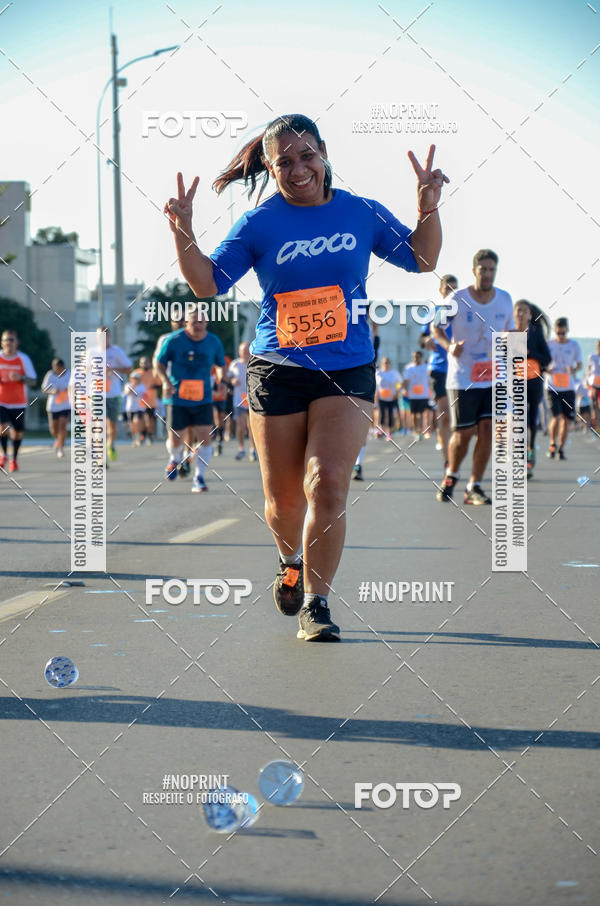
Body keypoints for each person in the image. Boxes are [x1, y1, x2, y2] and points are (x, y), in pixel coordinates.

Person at [164, 113, 447, 640]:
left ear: (324, 154)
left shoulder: (360, 212)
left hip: (348, 367)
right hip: (279, 369)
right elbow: (206, 284)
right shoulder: (259, 223)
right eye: (285, 162)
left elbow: (422, 258)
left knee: (330, 483)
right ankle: (290, 560)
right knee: (285, 499)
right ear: (270, 169)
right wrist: (182, 229)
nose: (299, 169)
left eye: (307, 156)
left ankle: (317, 603)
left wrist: (427, 209)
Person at [432, 249, 514, 504]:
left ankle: (474, 486)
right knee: (464, 434)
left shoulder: (504, 299)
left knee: (487, 430)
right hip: (463, 377)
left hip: (492, 376)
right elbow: (436, 327)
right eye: (483, 270)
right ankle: (451, 475)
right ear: (474, 271)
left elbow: (509, 333)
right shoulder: (456, 298)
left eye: (492, 270)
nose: (487, 275)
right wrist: (449, 346)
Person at [155, 304, 226, 492]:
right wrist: (165, 381)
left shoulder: (213, 342)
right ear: (187, 322)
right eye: (194, 321)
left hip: (203, 398)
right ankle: (174, 458)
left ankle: (199, 477)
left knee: (204, 438)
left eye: (201, 321)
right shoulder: (174, 340)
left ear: (207, 322)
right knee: (176, 439)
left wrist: (221, 379)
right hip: (177, 397)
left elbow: (220, 364)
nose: (198, 325)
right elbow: (159, 363)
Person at [420, 274, 457, 465]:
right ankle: (448, 460)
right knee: (445, 414)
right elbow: (422, 339)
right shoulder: (433, 312)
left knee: (457, 418)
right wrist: (426, 341)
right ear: (441, 291)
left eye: (454, 289)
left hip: (460, 369)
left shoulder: (464, 312)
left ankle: (450, 447)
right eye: (448, 289)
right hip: (439, 369)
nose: (451, 292)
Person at [512, 300, 551, 478]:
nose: (521, 314)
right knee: (518, 419)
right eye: (518, 310)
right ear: (514, 314)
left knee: (532, 417)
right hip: (515, 382)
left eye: (524, 311)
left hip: (534, 381)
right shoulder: (508, 333)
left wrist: (530, 353)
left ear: (530, 315)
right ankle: (520, 458)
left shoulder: (536, 333)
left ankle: (530, 449)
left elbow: (547, 357)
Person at [92, 326, 132, 464]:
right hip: (96, 394)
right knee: (99, 424)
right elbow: (82, 372)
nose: (102, 338)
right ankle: (100, 457)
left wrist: (113, 369)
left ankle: (111, 444)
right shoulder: (91, 352)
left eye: (105, 335)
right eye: (99, 336)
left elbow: (129, 368)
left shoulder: (116, 351)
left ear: (109, 337)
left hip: (113, 394)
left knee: (112, 425)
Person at [0, 329, 37, 472]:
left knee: (18, 433)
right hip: (1, 401)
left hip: (18, 403)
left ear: (17, 343)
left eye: (11, 340)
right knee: (3, 428)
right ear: (2, 342)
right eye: (6, 340)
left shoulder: (23, 359)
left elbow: (33, 381)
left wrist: (21, 378)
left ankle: (14, 459)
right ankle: (3, 455)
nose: (8, 343)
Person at [546, 317, 581, 460]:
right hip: (552, 386)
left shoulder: (574, 345)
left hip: (568, 387)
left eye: (563, 333)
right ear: (555, 331)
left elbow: (579, 364)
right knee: (557, 416)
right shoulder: (549, 344)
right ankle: (552, 443)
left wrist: (573, 369)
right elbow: (542, 362)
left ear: (567, 330)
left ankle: (561, 448)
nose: (561, 335)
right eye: (558, 333)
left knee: (566, 419)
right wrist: (547, 369)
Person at [228, 341, 257, 461]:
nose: (245, 353)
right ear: (239, 352)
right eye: (243, 351)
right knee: (240, 426)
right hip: (239, 399)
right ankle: (241, 449)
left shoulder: (254, 363)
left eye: (247, 351)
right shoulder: (235, 364)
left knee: (251, 427)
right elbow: (228, 377)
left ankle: (253, 450)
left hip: (252, 398)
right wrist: (232, 381)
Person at [41, 357, 71, 458]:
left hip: (66, 405)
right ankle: (57, 440)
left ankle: (61, 448)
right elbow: (44, 389)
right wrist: (53, 391)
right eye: (55, 367)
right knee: (54, 429)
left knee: (63, 425)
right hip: (53, 406)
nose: (56, 369)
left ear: (63, 367)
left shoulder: (69, 374)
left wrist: (69, 390)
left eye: (58, 367)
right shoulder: (50, 375)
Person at [402, 349, 430, 438]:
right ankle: (415, 430)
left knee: (421, 413)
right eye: (414, 357)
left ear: (421, 358)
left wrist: (432, 391)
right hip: (413, 395)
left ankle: (420, 430)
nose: (415, 359)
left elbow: (430, 380)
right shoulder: (409, 368)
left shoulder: (426, 367)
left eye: (417, 357)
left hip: (423, 395)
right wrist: (404, 389)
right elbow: (405, 380)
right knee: (413, 414)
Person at [375, 356, 402, 439]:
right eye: (384, 363)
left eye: (388, 362)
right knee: (382, 414)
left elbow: (399, 383)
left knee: (390, 414)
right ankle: (381, 431)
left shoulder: (394, 373)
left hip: (392, 397)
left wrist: (397, 392)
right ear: (382, 364)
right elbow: (375, 385)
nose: (386, 364)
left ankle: (389, 433)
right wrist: (376, 395)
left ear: (390, 364)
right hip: (382, 397)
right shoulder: (378, 373)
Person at [138, 356, 162, 444]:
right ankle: (142, 434)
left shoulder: (154, 373)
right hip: (139, 402)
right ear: (140, 364)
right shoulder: (137, 373)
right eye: (143, 362)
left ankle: (150, 434)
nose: (144, 364)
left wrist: (153, 387)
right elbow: (131, 384)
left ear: (149, 363)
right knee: (140, 419)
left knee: (150, 419)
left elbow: (160, 384)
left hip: (151, 401)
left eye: (146, 362)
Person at [123, 369, 147, 446]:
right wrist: (132, 385)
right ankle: (134, 439)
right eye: (134, 378)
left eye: (137, 378)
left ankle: (138, 437)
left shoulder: (142, 386)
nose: (135, 380)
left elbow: (142, 394)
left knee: (137, 422)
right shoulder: (128, 385)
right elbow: (127, 393)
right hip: (130, 408)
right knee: (132, 424)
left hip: (139, 408)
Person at [586, 339, 600, 430]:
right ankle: (596, 425)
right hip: (594, 384)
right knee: (595, 405)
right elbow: (588, 369)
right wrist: (587, 380)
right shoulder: (592, 357)